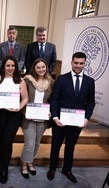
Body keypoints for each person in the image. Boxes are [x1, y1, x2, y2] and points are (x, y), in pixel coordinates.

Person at [47, 52, 95, 183]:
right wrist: (55, 117)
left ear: (85, 63)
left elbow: (91, 102)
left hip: (77, 122)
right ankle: (52, 168)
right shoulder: (62, 79)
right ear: (71, 62)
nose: (78, 66)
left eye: (81, 63)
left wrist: (86, 118)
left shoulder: (90, 82)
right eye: (76, 63)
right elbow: (55, 99)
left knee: (70, 146)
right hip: (60, 121)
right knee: (55, 145)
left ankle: (67, 169)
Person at [0, 55, 28, 184]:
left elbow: (25, 99)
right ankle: (2, 164)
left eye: (13, 65)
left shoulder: (20, 81)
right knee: (0, 141)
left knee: (7, 141)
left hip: (13, 115)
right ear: (3, 67)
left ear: (16, 67)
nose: (10, 68)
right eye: (8, 65)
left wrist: (19, 108)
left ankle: (5, 169)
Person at [20, 58, 54, 179]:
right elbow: (22, 98)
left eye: (43, 67)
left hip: (43, 118)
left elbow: (52, 101)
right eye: (38, 67)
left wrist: (51, 112)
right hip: (28, 117)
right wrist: (25, 112)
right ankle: (24, 164)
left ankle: (30, 162)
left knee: (36, 143)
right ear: (34, 68)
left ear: (46, 68)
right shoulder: (27, 80)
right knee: (29, 143)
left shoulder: (50, 82)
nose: (41, 69)